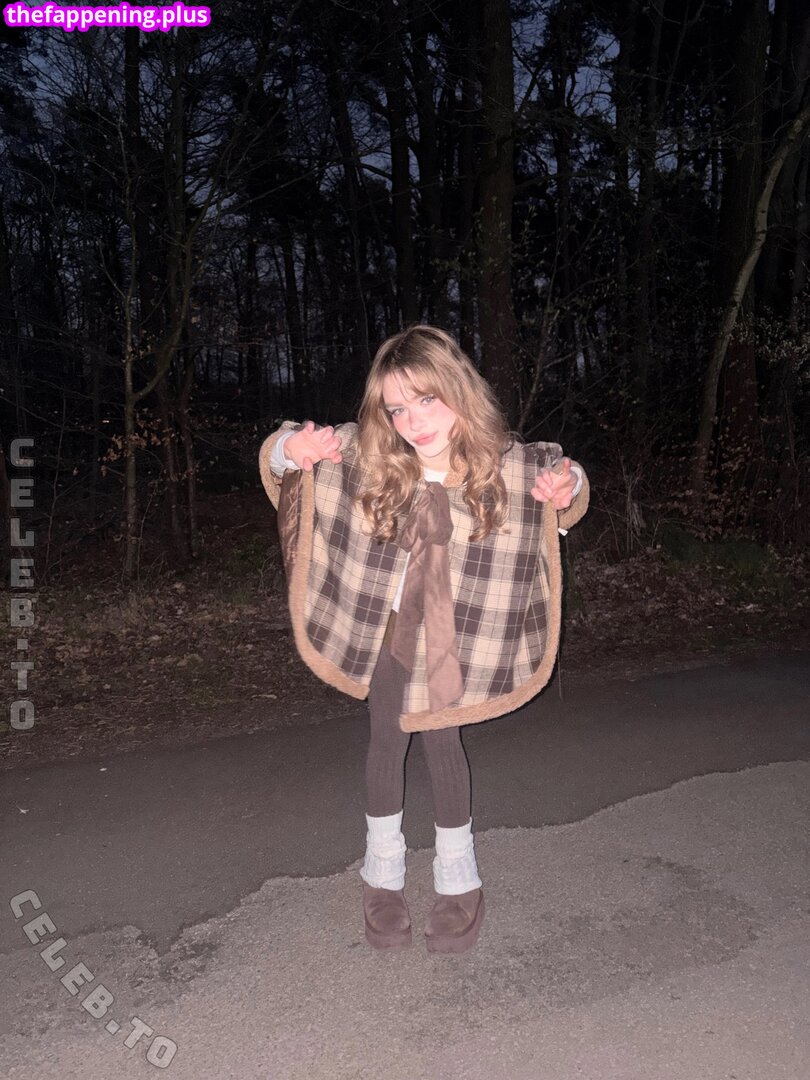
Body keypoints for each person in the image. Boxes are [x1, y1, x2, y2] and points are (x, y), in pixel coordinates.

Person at [258, 325, 588, 955]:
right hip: (389, 629)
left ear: (459, 390)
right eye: (398, 408)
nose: (414, 422)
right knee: (386, 740)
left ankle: (459, 878)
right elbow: (283, 461)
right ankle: (381, 875)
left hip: (460, 633)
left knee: (443, 742)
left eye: (427, 400)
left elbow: (563, 484)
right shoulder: (369, 457)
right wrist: (288, 448)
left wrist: (567, 489)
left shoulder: (505, 464)